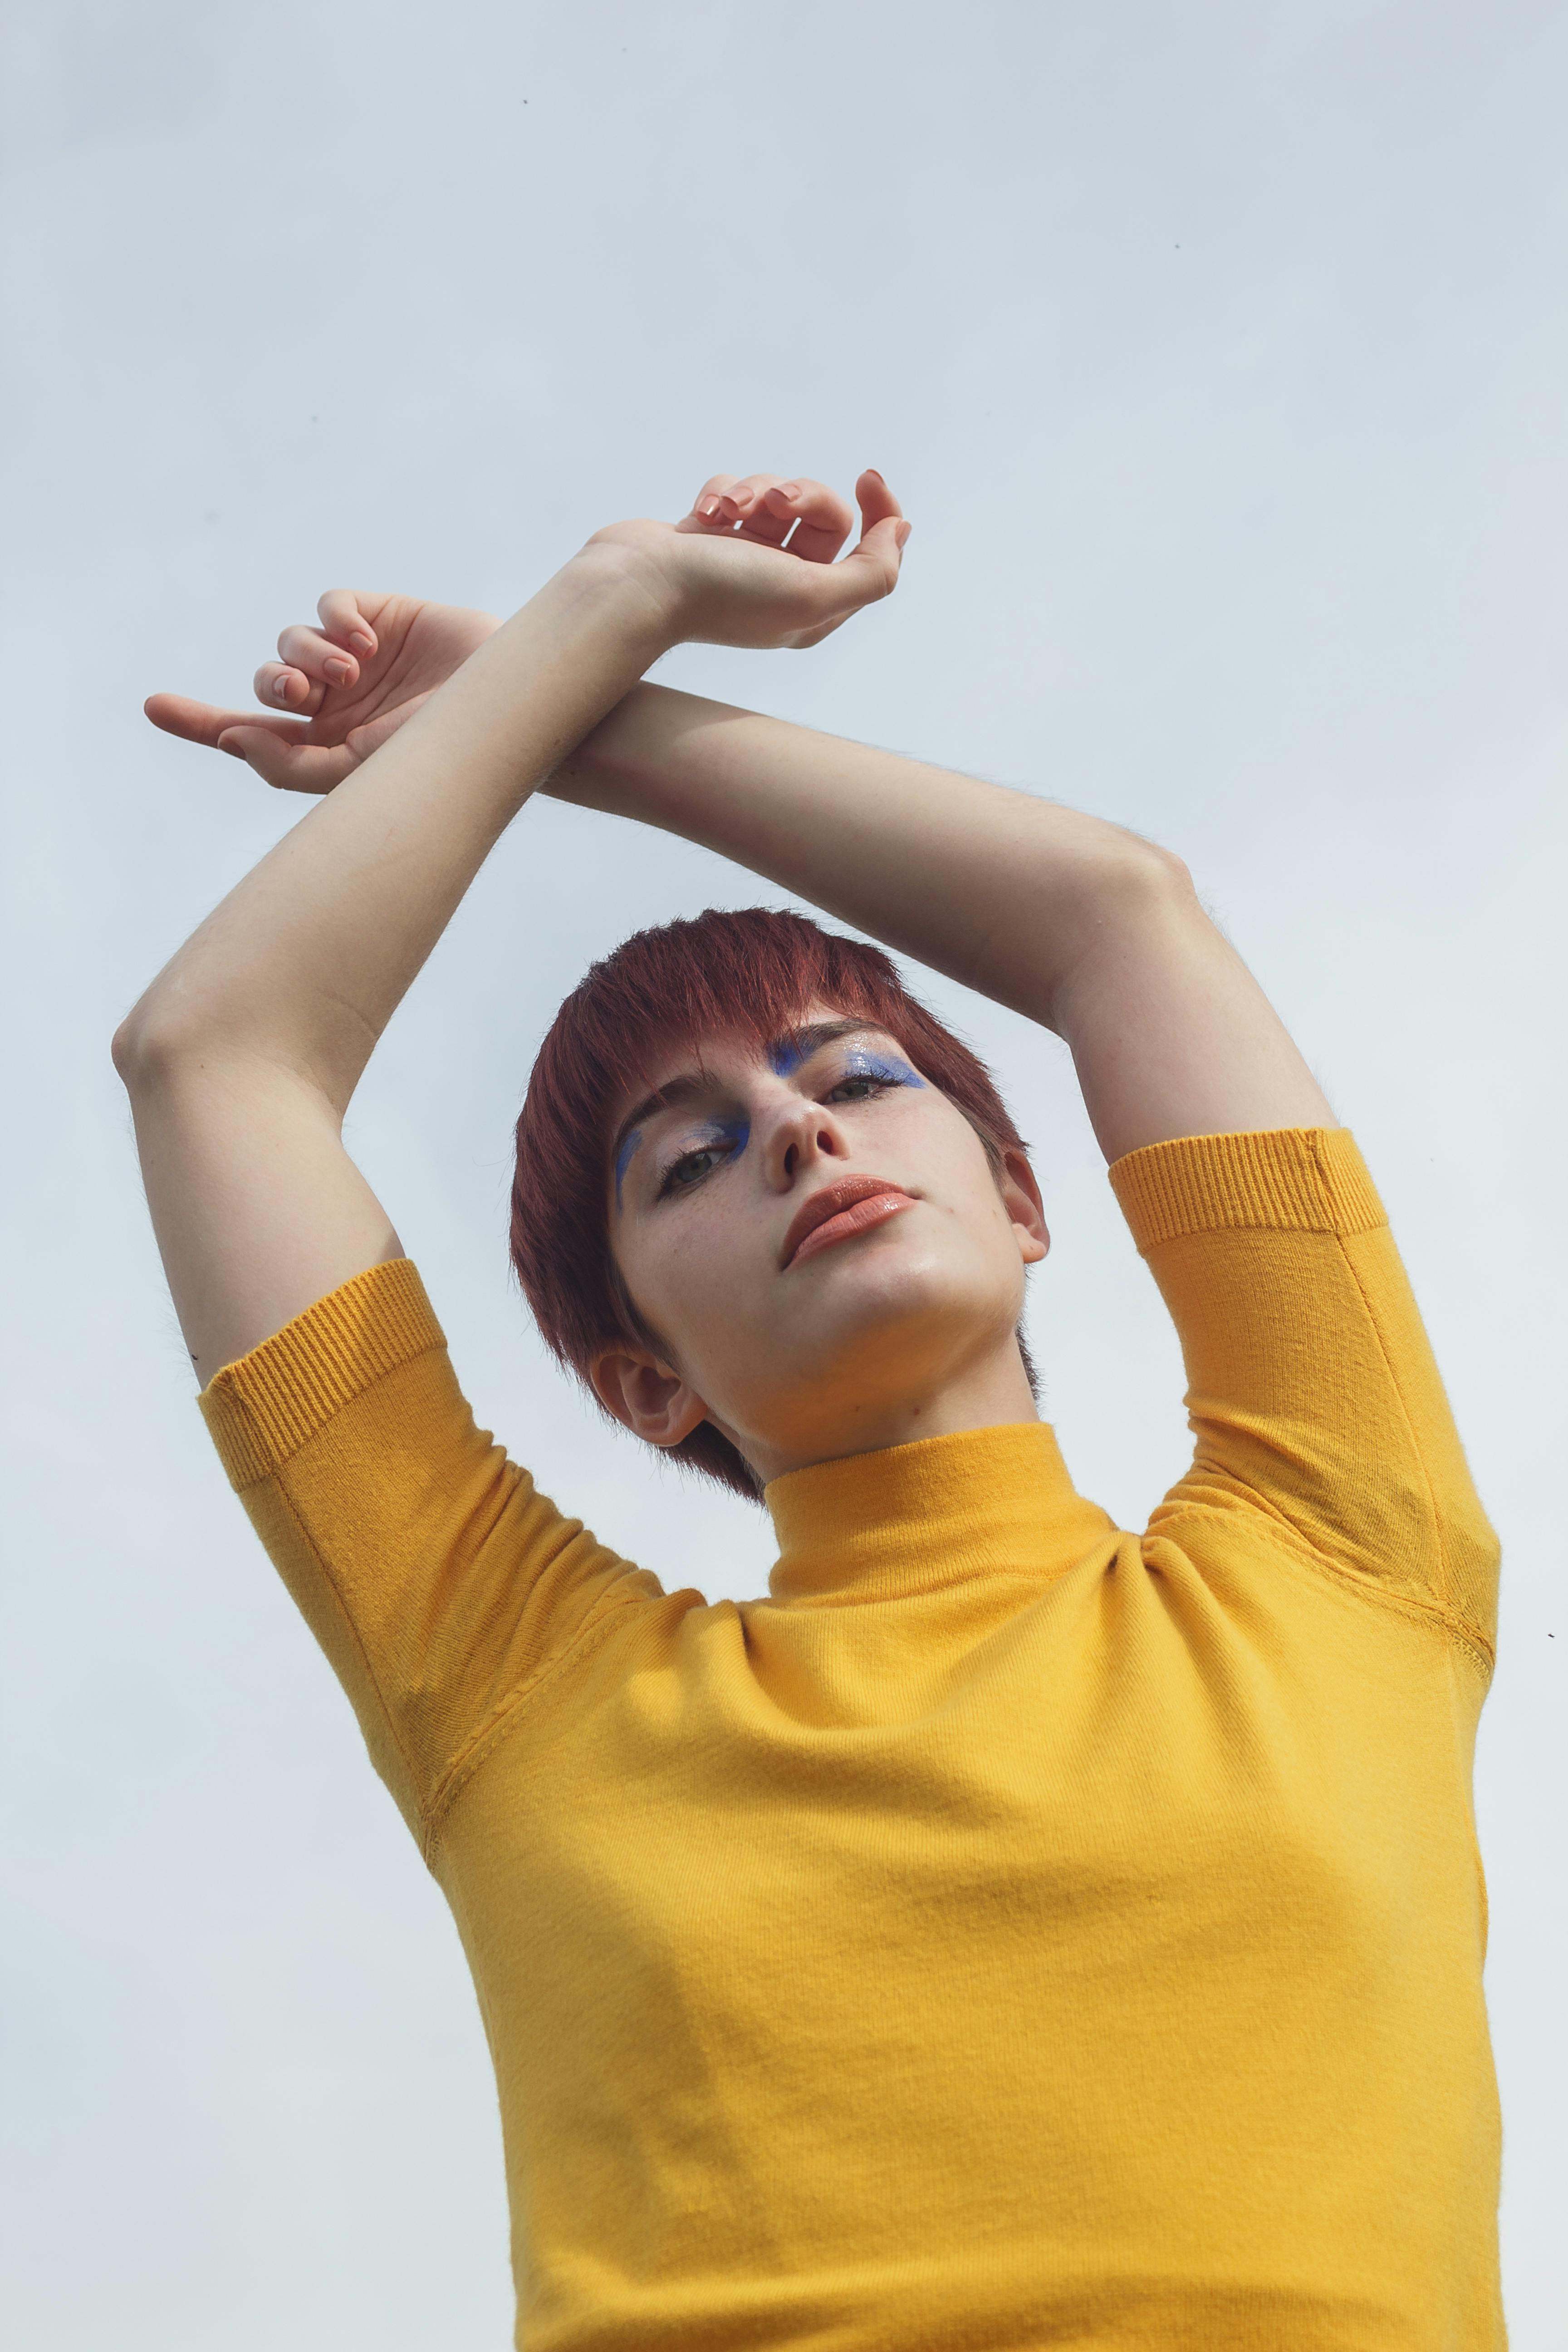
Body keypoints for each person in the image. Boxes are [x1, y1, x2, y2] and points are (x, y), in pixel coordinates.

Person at [118, 469, 1504, 2349]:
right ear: (642, 1379)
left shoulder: (1343, 1552)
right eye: (684, 1161)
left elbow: (1117, 916)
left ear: (1024, 1200)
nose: (793, 1128)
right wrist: (609, 602)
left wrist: (556, 700)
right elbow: (217, 1066)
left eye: (852, 1071)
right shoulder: (530, 1695)